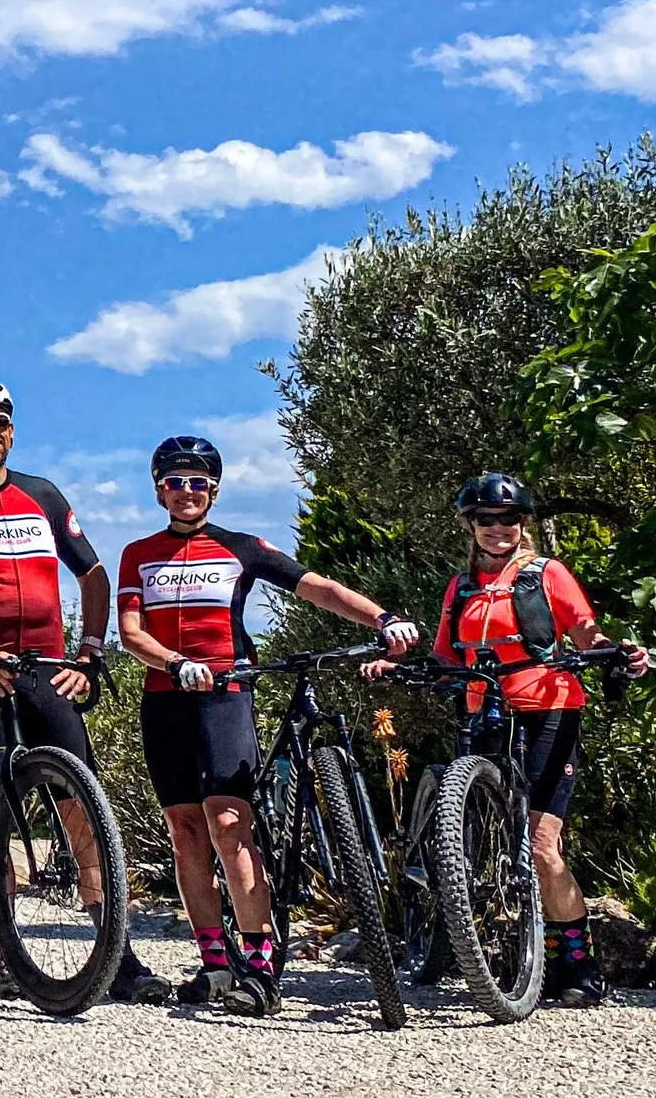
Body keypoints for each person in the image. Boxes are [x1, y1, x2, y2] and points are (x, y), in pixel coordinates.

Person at [115, 435, 419, 1017]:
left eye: (198, 482)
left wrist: (384, 618)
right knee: (184, 829)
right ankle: (214, 966)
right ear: (159, 490)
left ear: (215, 490)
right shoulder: (138, 553)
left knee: (228, 822)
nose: (187, 492)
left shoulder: (241, 548)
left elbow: (317, 587)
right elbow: (132, 633)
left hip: (225, 695)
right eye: (175, 482)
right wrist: (176, 663)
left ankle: (257, 964)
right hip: (165, 697)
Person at [0, 378, 172, 1006]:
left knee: (82, 802)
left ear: (12, 428)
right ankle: (9, 954)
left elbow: (95, 573)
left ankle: (119, 951)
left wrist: (90, 654)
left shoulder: (43, 495)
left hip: (47, 667)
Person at [362, 472, 649, 1006]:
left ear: (523, 523)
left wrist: (616, 652)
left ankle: (577, 964)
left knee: (542, 844)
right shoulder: (461, 587)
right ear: (471, 525)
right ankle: (471, 925)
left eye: (509, 518)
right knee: (466, 824)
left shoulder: (548, 573)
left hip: (548, 707)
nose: (498, 528)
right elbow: (448, 654)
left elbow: (586, 630)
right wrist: (398, 665)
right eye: (485, 520)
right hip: (483, 708)